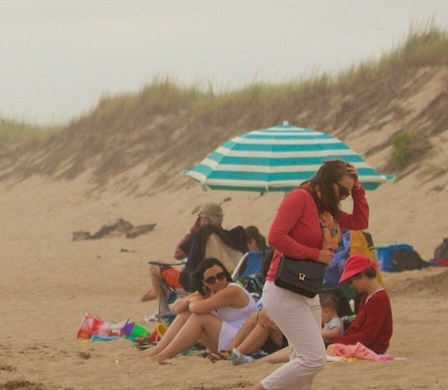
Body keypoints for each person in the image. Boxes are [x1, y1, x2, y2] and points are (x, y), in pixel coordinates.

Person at [245, 160, 366, 390]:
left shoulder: (327, 213)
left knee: (303, 364)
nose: (344, 197)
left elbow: (361, 221)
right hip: (283, 288)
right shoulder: (300, 198)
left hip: (308, 290)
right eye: (342, 191)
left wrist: (358, 190)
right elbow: (275, 237)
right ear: (328, 182)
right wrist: (315, 254)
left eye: (347, 193)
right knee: (314, 359)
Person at [144, 258, 255, 362]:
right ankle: (156, 352)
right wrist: (191, 299)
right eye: (211, 280)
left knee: (199, 317)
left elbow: (197, 308)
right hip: (226, 338)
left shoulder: (232, 291)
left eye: (221, 276)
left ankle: (164, 355)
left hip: (242, 340)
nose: (217, 281)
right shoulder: (210, 291)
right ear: (204, 283)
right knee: (186, 313)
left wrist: (192, 300)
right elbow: (177, 308)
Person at [142, 203, 226, 315]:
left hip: (193, 282)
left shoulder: (203, 237)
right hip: (221, 277)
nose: (198, 222)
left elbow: (178, 254)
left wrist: (191, 230)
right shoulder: (227, 237)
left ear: (205, 220)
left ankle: (163, 311)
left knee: (155, 267)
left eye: (199, 219)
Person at [226, 293, 341, 365]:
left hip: (314, 344)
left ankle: (248, 358)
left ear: (326, 311)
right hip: (302, 336)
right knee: (261, 319)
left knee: (297, 346)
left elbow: (335, 333)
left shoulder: (333, 321)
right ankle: (233, 352)